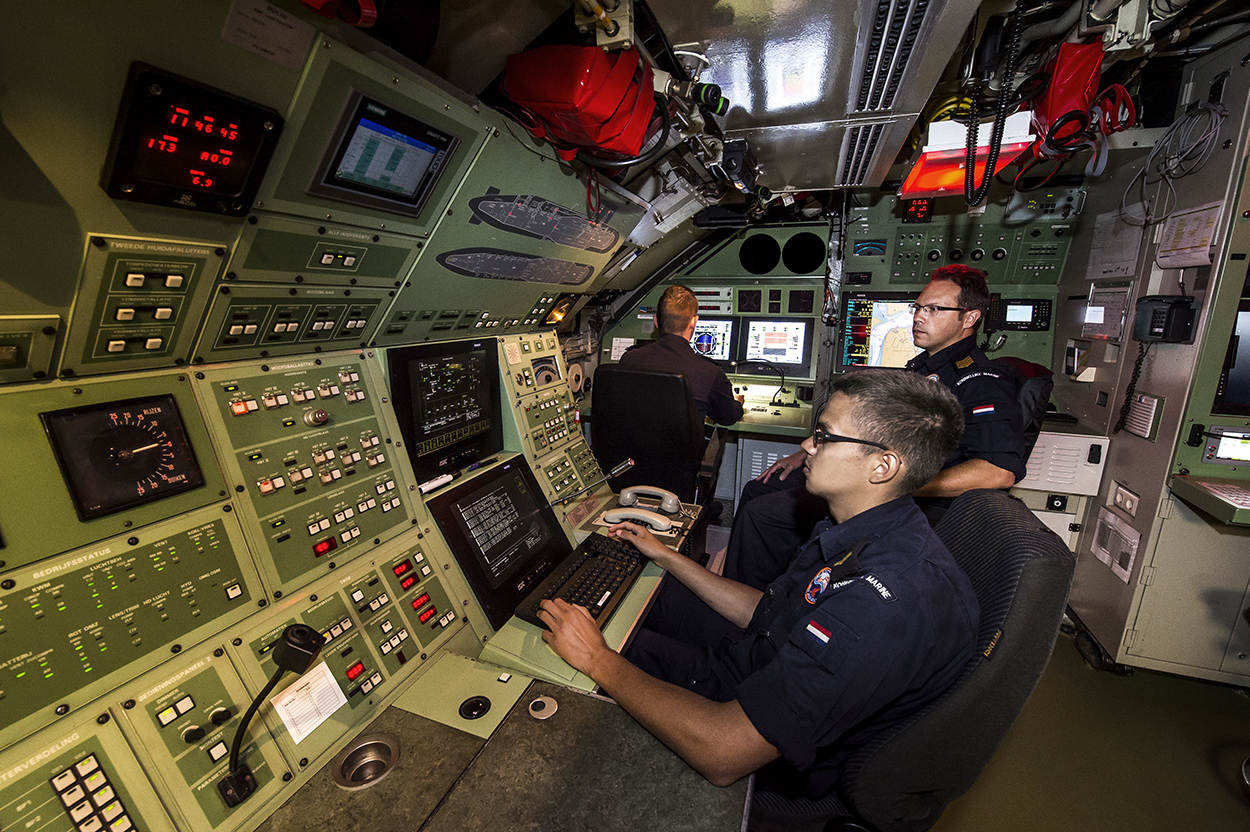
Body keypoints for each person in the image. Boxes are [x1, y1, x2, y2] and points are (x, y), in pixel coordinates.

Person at [538, 369, 979, 797]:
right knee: (647, 592)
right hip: (752, 659)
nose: (807, 446)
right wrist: (667, 556)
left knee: (586, 644)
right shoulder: (862, 530)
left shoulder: (880, 603)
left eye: (824, 436)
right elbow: (769, 613)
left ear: (882, 466)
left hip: (736, 725)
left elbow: (723, 755)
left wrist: (597, 659)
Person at [722, 264, 1027, 589]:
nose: (919, 317)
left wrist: (899, 484)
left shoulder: (980, 381)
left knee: (762, 513)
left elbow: (998, 471)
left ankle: (756, 606)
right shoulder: (923, 368)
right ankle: (755, 591)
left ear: (970, 318)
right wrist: (809, 453)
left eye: (934, 309)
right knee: (759, 488)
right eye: (918, 308)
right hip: (878, 475)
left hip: (902, 499)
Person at [618, 284, 744, 427]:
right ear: (694, 322)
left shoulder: (629, 359)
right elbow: (727, 417)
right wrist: (738, 404)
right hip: (680, 442)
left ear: (656, 321)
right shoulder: (710, 372)